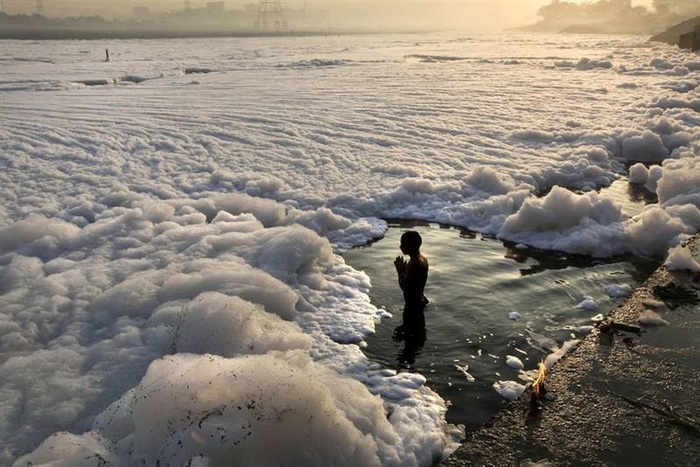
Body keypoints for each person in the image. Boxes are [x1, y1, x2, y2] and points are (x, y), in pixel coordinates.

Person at [394, 231, 429, 333]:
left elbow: (405, 287)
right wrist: (405, 271)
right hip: (418, 301)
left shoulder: (415, 263)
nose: (401, 246)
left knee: (412, 336)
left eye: (404, 244)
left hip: (414, 307)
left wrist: (400, 272)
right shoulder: (420, 259)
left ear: (413, 245)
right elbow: (414, 282)